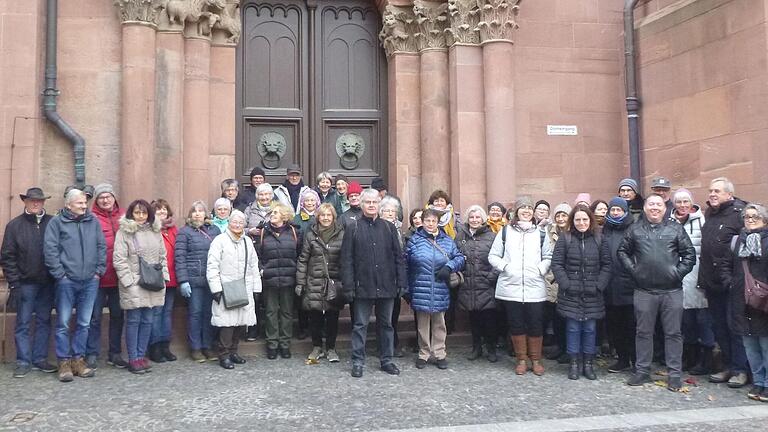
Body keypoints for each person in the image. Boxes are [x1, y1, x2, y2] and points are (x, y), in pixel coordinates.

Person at [619, 194, 696, 391]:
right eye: (651, 204)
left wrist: (677, 273)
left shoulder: (675, 228)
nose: (655, 208)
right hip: (644, 290)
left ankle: (674, 374)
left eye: (658, 205)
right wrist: (634, 271)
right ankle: (642, 371)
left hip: (671, 291)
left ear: (665, 208)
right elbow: (622, 252)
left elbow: (689, 254)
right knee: (643, 332)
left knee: (673, 333)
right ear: (645, 207)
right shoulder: (635, 228)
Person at [341, 188, 407, 378]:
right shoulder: (353, 228)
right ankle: (357, 361)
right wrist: (349, 286)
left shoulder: (388, 228)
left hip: (387, 285)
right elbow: (347, 260)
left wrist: (401, 281)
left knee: (386, 325)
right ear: (361, 205)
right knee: (360, 325)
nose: (371, 205)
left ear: (380, 204)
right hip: (363, 285)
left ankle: (387, 360)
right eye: (368, 202)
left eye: (375, 202)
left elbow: (398, 257)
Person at [44, 189, 106, 382]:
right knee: (62, 323)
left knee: (84, 323)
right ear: (68, 204)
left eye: (85, 203)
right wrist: (60, 275)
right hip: (66, 280)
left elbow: (101, 246)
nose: (84, 206)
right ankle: (64, 362)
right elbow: (50, 249)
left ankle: (78, 360)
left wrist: (98, 272)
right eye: (79, 203)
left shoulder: (93, 221)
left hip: (90, 280)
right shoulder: (57, 222)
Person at [488, 197, 552, 376]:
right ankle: (521, 359)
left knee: (535, 324)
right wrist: (506, 267)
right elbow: (493, 256)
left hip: (534, 286)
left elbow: (548, 255)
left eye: (529, 208)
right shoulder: (505, 231)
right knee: (516, 324)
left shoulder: (540, 233)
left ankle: (536, 359)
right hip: (511, 287)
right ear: (516, 212)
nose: (526, 211)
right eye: (522, 208)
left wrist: (540, 269)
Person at [1, 187, 57, 377]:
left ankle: (40, 358)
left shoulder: (53, 222)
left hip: (48, 282)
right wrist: (14, 282)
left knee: (43, 321)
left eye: (39, 200)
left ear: (43, 202)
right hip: (25, 283)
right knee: (23, 323)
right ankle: (23, 361)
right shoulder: (14, 225)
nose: (35, 203)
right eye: (32, 200)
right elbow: (7, 257)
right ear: (25, 202)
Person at [699, 177, 750, 388]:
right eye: (711, 190)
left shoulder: (740, 214)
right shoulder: (710, 213)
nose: (712, 194)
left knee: (735, 326)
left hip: (732, 282)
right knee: (719, 326)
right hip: (713, 282)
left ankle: (741, 369)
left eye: (717, 191)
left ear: (729, 194)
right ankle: (729, 365)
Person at [551, 206, 611, 380]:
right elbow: (557, 264)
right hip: (571, 293)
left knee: (590, 329)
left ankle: (588, 363)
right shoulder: (565, 238)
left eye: (584, 219)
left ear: (590, 220)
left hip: (593, 293)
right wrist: (566, 284)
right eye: (578, 220)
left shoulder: (600, 239)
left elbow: (607, 265)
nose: (581, 223)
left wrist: (599, 285)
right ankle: (574, 363)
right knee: (573, 328)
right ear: (573, 221)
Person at [112, 199, 169, 374]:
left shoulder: (155, 231)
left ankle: (141, 355)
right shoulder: (125, 232)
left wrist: (164, 276)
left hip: (153, 282)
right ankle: (133, 357)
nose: (141, 216)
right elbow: (119, 259)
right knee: (134, 321)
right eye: (137, 213)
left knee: (147, 321)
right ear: (131, 214)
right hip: (134, 283)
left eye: (144, 213)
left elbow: (162, 256)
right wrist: (128, 281)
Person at [720, 203, 768, 402]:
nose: (750, 219)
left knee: (765, 345)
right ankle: (757, 381)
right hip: (740, 299)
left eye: (754, 216)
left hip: (763, 302)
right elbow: (725, 264)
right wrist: (730, 283)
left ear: (764, 220)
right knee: (749, 345)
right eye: (747, 216)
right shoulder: (737, 241)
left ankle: (767, 384)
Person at [406, 208, 465, 370]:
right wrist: (407, 287)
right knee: (422, 324)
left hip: (440, 286)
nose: (430, 224)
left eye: (433, 221)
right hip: (420, 286)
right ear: (422, 222)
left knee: (439, 323)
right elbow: (407, 263)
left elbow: (459, 258)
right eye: (427, 221)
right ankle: (423, 353)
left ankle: (439, 353)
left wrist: (449, 266)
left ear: (438, 223)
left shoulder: (446, 240)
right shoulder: (414, 240)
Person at [206, 210, 261, 369]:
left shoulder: (247, 242)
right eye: (234, 222)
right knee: (227, 324)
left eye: (240, 222)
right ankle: (223, 355)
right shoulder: (220, 240)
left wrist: (256, 288)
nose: (237, 225)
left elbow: (253, 265)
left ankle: (233, 351)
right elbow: (212, 266)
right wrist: (216, 288)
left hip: (244, 286)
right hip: (225, 287)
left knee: (240, 323)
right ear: (229, 223)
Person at [669, 189, 713, 375]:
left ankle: (707, 360)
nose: (682, 205)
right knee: (685, 321)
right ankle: (690, 357)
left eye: (686, 201)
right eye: (679, 202)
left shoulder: (702, 220)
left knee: (703, 319)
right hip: (677, 275)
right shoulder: (668, 222)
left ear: (692, 203)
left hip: (698, 274)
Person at [295, 203, 344, 363]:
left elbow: (346, 258)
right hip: (314, 280)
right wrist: (300, 282)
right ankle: (316, 347)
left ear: (333, 217)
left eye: (329, 215)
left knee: (332, 317)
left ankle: (331, 348)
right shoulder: (311, 234)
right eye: (322, 215)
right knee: (315, 316)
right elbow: (303, 259)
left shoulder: (341, 233)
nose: (325, 218)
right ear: (318, 217)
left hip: (333, 281)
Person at [85, 183, 127, 370]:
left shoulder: (124, 216)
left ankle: (115, 353)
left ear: (114, 198)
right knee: (94, 317)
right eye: (101, 197)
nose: (105, 200)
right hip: (98, 277)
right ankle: (91, 353)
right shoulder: (90, 218)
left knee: (118, 316)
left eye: (108, 196)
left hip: (119, 277)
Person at [175, 201, 221, 362]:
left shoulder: (215, 230)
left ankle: (207, 346)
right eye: (194, 211)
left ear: (206, 214)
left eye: (200, 211)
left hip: (212, 279)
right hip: (193, 280)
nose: (197, 214)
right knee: (195, 313)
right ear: (190, 215)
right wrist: (183, 280)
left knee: (209, 314)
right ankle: (195, 348)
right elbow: (179, 257)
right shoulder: (184, 232)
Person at [455, 205, 499, 362]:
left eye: (477, 217)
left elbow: (499, 259)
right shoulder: (460, 236)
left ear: (483, 219)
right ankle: (476, 347)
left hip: (486, 284)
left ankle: (491, 348)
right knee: (473, 318)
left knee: (489, 319)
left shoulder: (492, 236)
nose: (474, 220)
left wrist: (491, 277)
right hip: (468, 283)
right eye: (472, 217)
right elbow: (456, 256)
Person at [258, 203, 300, 359]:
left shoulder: (294, 232)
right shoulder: (263, 232)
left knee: (287, 312)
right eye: (272, 212)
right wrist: (262, 270)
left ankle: (285, 344)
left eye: (276, 212)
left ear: (284, 215)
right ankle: (272, 344)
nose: (272, 214)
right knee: (270, 312)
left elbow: (299, 254)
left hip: (289, 278)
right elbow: (258, 255)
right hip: (270, 279)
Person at [602, 197, 637, 373]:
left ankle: (637, 361)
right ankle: (622, 359)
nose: (615, 213)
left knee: (632, 326)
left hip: (629, 285)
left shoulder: (634, 229)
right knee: (615, 326)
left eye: (619, 210)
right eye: (613, 210)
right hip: (609, 286)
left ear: (625, 211)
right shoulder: (605, 230)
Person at [147, 199, 178, 363]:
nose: (162, 213)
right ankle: (154, 346)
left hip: (172, 278)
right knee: (156, 313)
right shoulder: (150, 229)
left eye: (164, 210)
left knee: (167, 313)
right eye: (158, 210)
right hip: (156, 278)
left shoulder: (173, 229)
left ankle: (165, 345)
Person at [543, 202, 572, 364]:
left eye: (564, 215)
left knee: (568, 317)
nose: (561, 218)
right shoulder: (548, 232)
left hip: (568, 280)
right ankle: (560, 347)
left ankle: (569, 349)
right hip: (552, 281)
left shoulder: (573, 233)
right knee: (556, 318)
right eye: (558, 215)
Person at [380, 196, 406, 357]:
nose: (390, 213)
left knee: (394, 313)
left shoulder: (400, 231)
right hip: (381, 276)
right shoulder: (378, 228)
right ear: (381, 213)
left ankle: (393, 343)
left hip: (395, 277)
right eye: (387, 210)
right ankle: (384, 345)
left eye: (392, 211)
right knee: (384, 315)